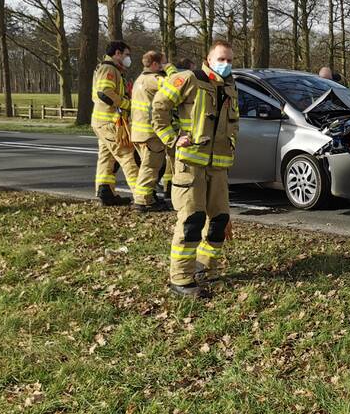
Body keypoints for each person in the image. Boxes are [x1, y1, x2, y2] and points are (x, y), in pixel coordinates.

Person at [151, 41, 239, 298]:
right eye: (221, 59)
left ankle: (206, 268)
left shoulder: (230, 86)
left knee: (219, 221)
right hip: (190, 164)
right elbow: (159, 107)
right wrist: (172, 138)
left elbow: (234, 123)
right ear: (209, 59)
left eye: (230, 60)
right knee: (192, 220)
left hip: (218, 166)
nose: (226, 64)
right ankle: (180, 278)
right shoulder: (189, 79)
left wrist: (231, 145)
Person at [91, 41, 141, 206]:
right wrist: (127, 104)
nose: (128, 58)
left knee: (107, 157)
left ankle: (105, 192)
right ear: (117, 53)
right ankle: (142, 198)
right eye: (126, 54)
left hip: (103, 122)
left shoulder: (109, 68)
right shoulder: (109, 69)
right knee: (127, 156)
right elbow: (105, 93)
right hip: (110, 122)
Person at [130, 51, 171, 212]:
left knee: (147, 167)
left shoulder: (139, 79)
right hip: (151, 134)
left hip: (139, 133)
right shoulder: (154, 79)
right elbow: (175, 86)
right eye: (163, 62)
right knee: (150, 168)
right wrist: (171, 69)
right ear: (155, 64)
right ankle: (143, 201)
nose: (165, 65)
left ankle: (148, 197)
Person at [158, 57, 195, 202]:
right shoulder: (180, 79)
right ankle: (170, 188)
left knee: (170, 159)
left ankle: (167, 186)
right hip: (174, 126)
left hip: (170, 126)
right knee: (173, 160)